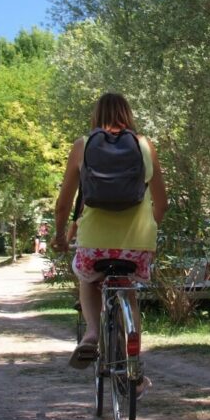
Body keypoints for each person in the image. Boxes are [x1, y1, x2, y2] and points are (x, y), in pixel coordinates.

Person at [53, 93, 168, 371]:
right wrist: (148, 235)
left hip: (94, 244)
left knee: (87, 278)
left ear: (96, 115)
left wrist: (59, 236)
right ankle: (133, 368)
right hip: (137, 246)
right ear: (128, 114)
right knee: (128, 292)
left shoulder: (82, 146)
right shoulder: (145, 146)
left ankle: (92, 332)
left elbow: (63, 204)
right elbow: (162, 203)